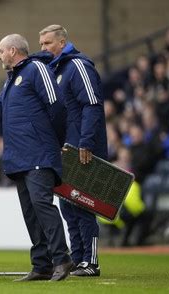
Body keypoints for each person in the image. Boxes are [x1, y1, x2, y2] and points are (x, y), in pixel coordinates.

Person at [0, 34, 72, 281]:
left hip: (39, 153)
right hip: (19, 156)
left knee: (42, 205)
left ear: (12, 50)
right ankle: (41, 265)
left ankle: (62, 259)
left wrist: (54, 140)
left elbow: (57, 106)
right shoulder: (11, 81)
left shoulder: (36, 69)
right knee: (30, 211)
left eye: (1, 51)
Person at [39, 24, 108, 276]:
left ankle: (91, 262)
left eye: (47, 43)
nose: (43, 48)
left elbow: (92, 104)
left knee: (84, 205)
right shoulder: (56, 70)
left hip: (82, 148)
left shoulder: (78, 65)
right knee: (69, 207)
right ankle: (78, 259)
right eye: (41, 44)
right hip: (65, 150)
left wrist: (86, 142)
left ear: (61, 42)